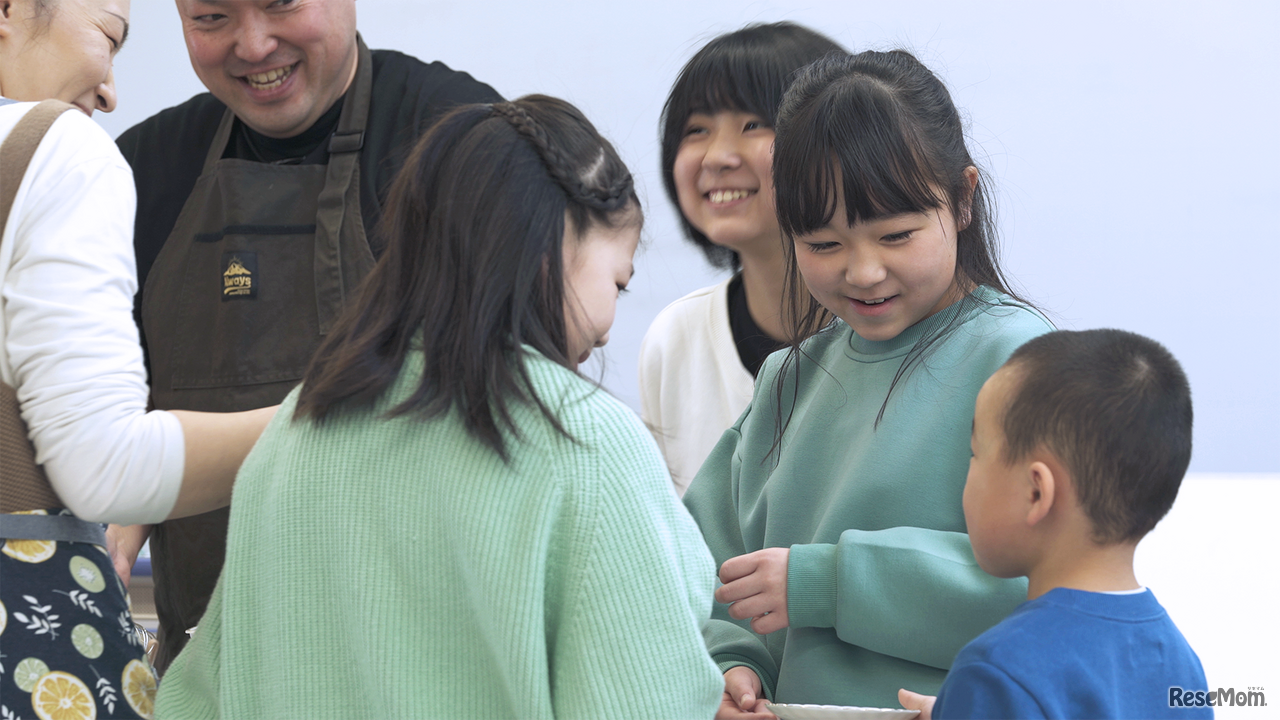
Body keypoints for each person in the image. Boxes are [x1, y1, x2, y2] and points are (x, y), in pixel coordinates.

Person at [153, 94, 724, 719]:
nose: (610, 330)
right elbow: (647, 696)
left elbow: (195, 702)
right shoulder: (585, 440)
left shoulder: (297, 430)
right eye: (617, 281)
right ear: (552, 243)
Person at [109, 0, 502, 672]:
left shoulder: (459, 136)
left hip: (422, 660)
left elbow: (513, 397)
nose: (253, 45)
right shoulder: (142, 167)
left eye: (280, 3)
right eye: (211, 18)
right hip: (214, 663)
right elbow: (120, 405)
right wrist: (114, 529)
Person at [682, 50, 1055, 717]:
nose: (862, 272)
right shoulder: (787, 379)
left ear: (963, 198)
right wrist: (733, 663)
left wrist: (824, 582)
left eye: (896, 235)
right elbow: (707, 563)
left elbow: (1052, 587)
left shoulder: (1019, 361)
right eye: (823, 244)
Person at [0, 0, 272, 716]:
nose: (112, 91)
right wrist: (326, 413)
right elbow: (103, 467)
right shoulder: (56, 148)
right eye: (108, 37)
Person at [897, 329, 1210, 719]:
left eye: (974, 453)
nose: (967, 471)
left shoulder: (998, 671)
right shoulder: (1182, 664)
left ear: (1035, 493)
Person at [639, 22, 845, 496]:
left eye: (753, 123)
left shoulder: (897, 328)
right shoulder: (674, 340)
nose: (717, 155)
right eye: (696, 130)